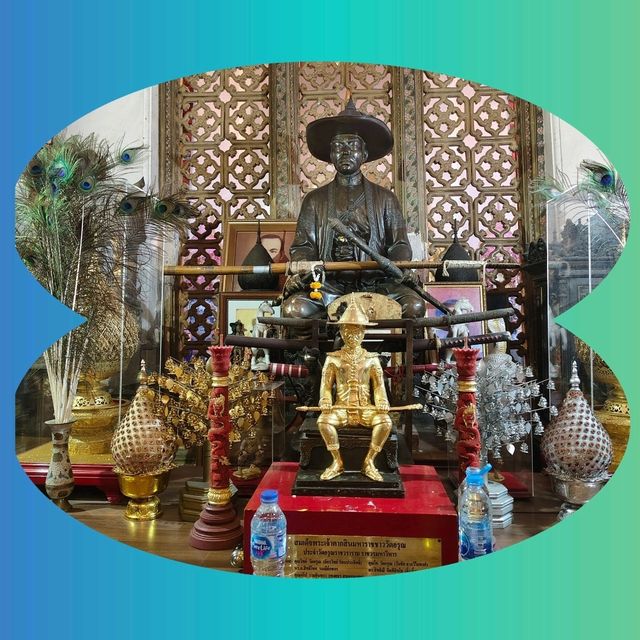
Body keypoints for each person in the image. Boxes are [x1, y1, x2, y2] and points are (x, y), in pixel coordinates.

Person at [282, 98, 425, 322]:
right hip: (329, 285)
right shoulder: (314, 200)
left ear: (364, 154)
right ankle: (319, 345)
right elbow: (303, 247)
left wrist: (394, 266)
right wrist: (309, 266)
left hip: (377, 283)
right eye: (339, 147)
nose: (346, 152)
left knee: (414, 306)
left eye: (352, 146)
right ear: (331, 155)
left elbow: (399, 245)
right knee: (295, 310)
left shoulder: (385, 199)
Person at [316, 295, 392, 482]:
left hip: (365, 409)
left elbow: (379, 386)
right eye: (348, 332)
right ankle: (337, 462)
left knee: (385, 422)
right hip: (340, 409)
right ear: (341, 332)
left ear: (363, 333)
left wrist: (382, 402)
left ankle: (369, 461)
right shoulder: (332, 359)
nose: (353, 336)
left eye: (357, 332)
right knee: (323, 421)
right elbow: (326, 386)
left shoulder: (372, 359)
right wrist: (325, 400)